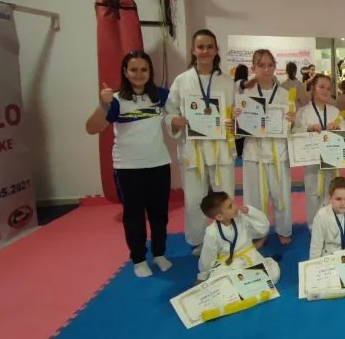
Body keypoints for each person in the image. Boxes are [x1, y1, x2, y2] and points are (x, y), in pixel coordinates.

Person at [85, 50, 172, 278]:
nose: (139, 74)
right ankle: (139, 259)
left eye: (144, 69)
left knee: (159, 214)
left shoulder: (161, 95)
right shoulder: (115, 99)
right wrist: (103, 105)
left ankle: (160, 253)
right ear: (125, 72)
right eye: (133, 69)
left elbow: (185, 108)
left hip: (159, 164)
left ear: (150, 71)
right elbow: (91, 128)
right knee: (134, 215)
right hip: (128, 168)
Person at [164, 29, 236, 255]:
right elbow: (169, 111)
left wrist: (234, 124)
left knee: (225, 196)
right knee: (194, 198)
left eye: (210, 47)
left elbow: (237, 115)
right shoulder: (182, 81)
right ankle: (197, 240)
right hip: (193, 149)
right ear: (193, 50)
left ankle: (229, 236)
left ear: (216, 50)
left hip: (220, 148)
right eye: (200, 47)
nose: (205, 51)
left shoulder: (227, 82)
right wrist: (174, 121)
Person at [238, 49, 296, 246]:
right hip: (254, 152)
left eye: (270, 65)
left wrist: (292, 121)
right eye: (261, 65)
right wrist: (238, 120)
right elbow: (238, 132)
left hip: (279, 152)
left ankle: (283, 229)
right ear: (253, 68)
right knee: (254, 197)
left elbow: (291, 129)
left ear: (275, 67)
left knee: (282, 195)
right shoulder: (245, 95)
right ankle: (258, 233)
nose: (266, 69)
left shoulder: (285, 94)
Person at [295, 74, 345, 228]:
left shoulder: (334, 111)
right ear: (313, 88)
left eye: (328, 88)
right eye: (321, 87)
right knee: (313, 194)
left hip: (332, 160)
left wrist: (338, 128)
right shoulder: (303, 112)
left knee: (333, 192)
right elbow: (295, 133)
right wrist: (308, 128)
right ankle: (314, 227)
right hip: (312, 162)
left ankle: (333, 225)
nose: (325, 91)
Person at [197, 192, 280, 283]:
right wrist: (203, 275)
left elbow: (263, 228)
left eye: (233, 202)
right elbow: (208, 254)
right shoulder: (211, 232)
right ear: (220, 216)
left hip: (250, 256)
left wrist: (250, 212)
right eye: (230, 206)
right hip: (228, 262)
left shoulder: (241, 217)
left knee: (271, 277)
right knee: (221, 281)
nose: (235, 206)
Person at [309, 177, 345, 259]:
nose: (343, 203)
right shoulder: (321, 215)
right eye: (338, 199)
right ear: (330, 198)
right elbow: (316, 246)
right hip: (330, 255)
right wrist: (314, 264)